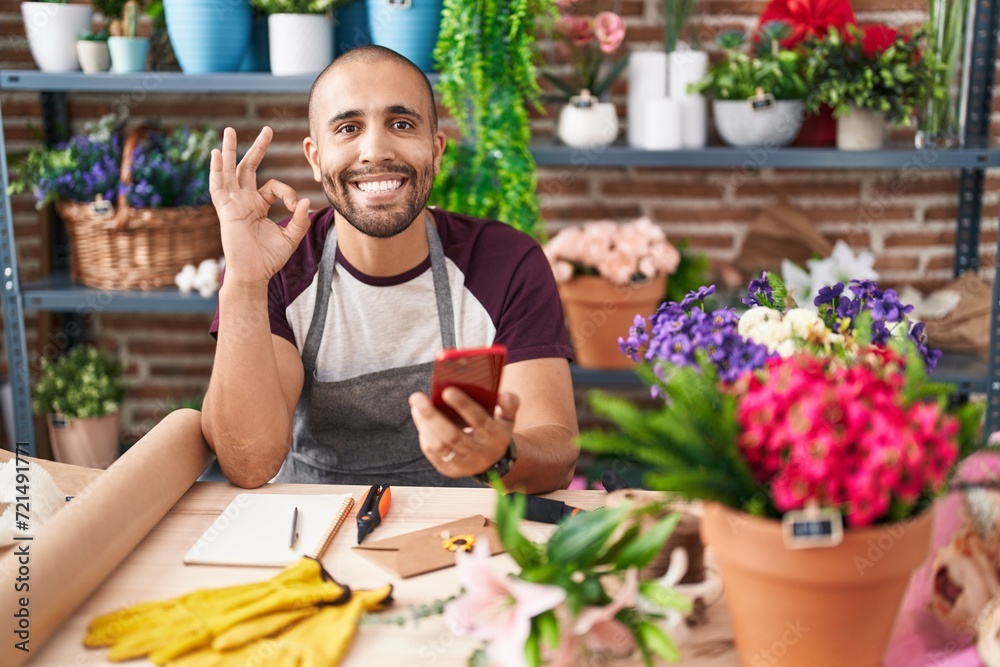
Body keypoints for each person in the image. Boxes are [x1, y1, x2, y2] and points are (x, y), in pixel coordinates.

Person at [200, 45, 579, 493]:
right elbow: (250, 463)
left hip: (459, 538)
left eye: (401, 124)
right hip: (313, 534)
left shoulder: (506, 263)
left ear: (436, 151)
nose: (375, 149)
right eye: (348, 127)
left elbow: (556, 451)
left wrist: (501, 455)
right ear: (316, 157)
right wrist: (243, 282)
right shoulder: (278, 265)